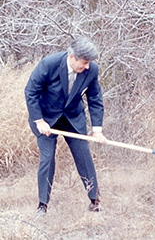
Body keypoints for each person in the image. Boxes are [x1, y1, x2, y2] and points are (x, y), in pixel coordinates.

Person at [25, 36, 107, 216]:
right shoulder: (49, 64)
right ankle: (42, 205)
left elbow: (94, 99)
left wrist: (97, 130)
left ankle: (94, 201)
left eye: (89, 63)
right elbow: (31, 91)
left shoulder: (91, 69)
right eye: (84, 62)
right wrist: (39, 121)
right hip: (46, 118)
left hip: (72, 117)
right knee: (47, 158)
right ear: (72, 56)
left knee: (83, 155)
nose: (87, 67)